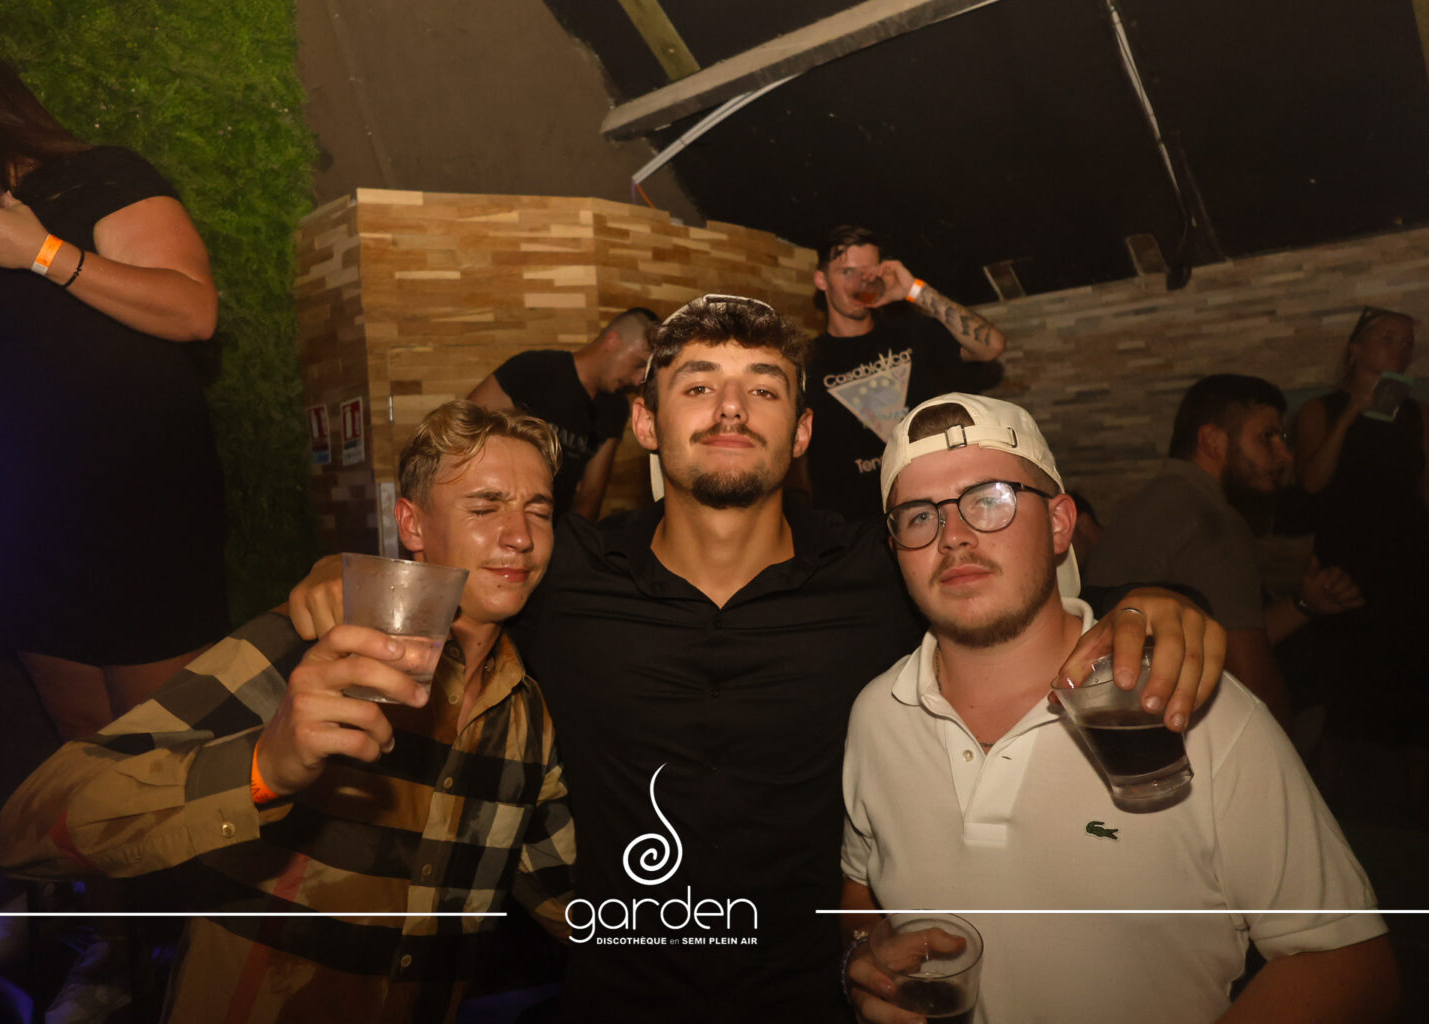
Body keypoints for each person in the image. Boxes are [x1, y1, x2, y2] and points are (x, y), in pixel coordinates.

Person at [290, 295, 1223, 1022]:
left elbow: (1022, 592)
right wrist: (344, 574)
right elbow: (451, 554)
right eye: (698, 385)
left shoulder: (882, 572)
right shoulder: (563, 573)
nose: (731, 407)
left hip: (827, 1000)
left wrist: (1150, 603)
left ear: (802, 430)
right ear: (646, 424)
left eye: (765, 389)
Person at [0, 401, 577, 1023]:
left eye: (538, 511)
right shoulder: (308, 650)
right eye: (485, 508)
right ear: (412, 524)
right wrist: (260, 769)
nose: (520, 536)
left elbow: (572, 904)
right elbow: (28, 830)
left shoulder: (523, 716)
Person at [842, 392, 1399, 1024]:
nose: (954, 536)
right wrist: (863, 956)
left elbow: (1350, 967)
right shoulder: (876, 716)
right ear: (896, 549)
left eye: (990, 499)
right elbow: (860, 890)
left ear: (1060, 524)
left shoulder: (1189, 704)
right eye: (919, 516)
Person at [0, 30, 227, 740]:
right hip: (21, 530)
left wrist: (39, 251)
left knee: (164, 755)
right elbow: (5, 367)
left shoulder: (97, 178)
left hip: (131, 515)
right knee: (88, 760)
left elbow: (192, 310)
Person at [1086, 374, 1365, 727]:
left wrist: (1304, 604)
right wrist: (1285, 750)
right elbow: (1256, 688)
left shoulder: (1156, 499)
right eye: (1267, 437)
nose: (1285, 455)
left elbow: (1224, 635)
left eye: (1283, 439)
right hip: (1174, 728)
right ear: (1212, 441)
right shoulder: (1210, 520)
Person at [797, 225, 1005, 519]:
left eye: (868, 272)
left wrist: (914, 290)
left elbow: (991, 346)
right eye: (847, 272)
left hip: (929, 509)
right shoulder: (806, 361)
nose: (860, 282)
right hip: (851, 527)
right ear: (821, 279)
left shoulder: (911, 333)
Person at [1292, 307, 1429, 743]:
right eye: (1388, 338)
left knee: (1411, 674)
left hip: (1409, 556)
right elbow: (1312, 482)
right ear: (1355, 348)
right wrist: (1351, 414)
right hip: (1346, 559)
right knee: (1349, 681)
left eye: (1407, 343)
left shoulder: (1418, 413)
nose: (1400, 349)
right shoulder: (1319, 410)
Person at [467, 307, 656, 520]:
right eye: (640, 364)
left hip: (552, 529)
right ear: (613, 340)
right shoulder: (533, 370)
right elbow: (462, 430)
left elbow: (591, 493)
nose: (638, 380)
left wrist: (572, 539)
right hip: (494, 518)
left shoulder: (615, 407)